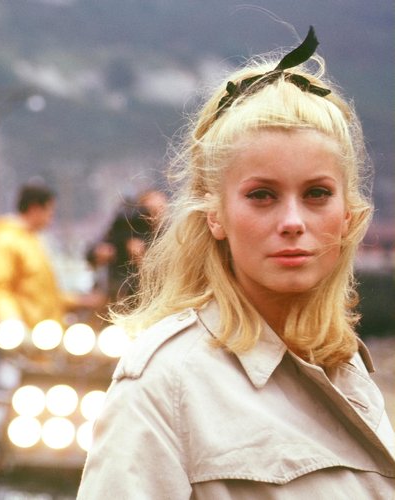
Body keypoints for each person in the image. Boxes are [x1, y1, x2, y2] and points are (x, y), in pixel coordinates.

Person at [77, 26, 394, 498]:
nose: (292, 221)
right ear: (215, 215)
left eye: (317, 194)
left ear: (348, 215)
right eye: (262, 195)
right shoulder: (166, 385)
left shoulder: (344, 363)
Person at [0, 183, 101, 328]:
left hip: (46, 333)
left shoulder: (34, 241)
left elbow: (45, 294)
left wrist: (80, 301)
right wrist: (11, 321)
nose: (50, 220)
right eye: (49, 213)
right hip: (26, 337)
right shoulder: (6, 241)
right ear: (35, 209)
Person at [86, 189, 168, 300]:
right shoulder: (125, 229)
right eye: (147, 211)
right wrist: (101, 253)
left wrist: (142, 260)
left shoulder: (168, 239)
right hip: (122, 293)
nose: (153, 216)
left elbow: (165, 280)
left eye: (159, 209)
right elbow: (94, 253)